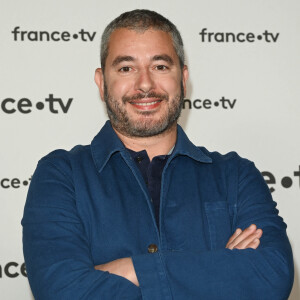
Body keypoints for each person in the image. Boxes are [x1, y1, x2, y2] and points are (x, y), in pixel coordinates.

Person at [22, 9, 294, 299]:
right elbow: (62, 291)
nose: (145, 85)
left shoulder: (236, 175)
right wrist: (216, 271)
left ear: (183, 78)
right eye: (126, 68)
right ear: (102, 83)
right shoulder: (61, 175)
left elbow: (271, 275)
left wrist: (131, 269)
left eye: (160, 66)